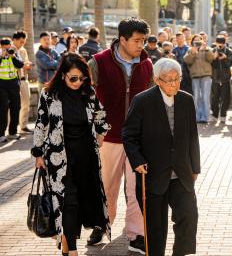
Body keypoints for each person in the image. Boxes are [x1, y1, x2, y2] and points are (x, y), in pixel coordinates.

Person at [31, 53, 111, 256]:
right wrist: (38, 154)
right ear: (63, 74)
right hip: (59, 159)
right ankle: (72, 251)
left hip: (86, 158)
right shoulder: (49, 94)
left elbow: (101, 114)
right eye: (73, 78)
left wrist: (101, 134)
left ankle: (66, 247)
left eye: (82, 78)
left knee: (82, 203)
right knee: (68, 202)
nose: (78, 82)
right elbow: (41, 125)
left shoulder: (88, 92)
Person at [86, 17, 152, 253]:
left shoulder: (146, 64)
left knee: (136, 189)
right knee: (107, 186)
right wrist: (95, 129)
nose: (141, 45)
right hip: (108, 138)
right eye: (136, 40)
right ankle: (101, 223)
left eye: (144, 40)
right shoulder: (98, 62)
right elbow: (85, 97)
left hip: (137, 140)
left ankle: (137, 234)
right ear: (122, 39)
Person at [122, 58, 200, 256]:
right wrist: (137, 161)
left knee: (188, 216)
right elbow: (129, 135)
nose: (174, 84)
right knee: (156, 228)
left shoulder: (186, 100)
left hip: (181, 173)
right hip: (152, 174)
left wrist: (195, 167)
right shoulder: (142, 101)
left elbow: (192, 136)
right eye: (169, 80)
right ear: (157, 80)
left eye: (177, 79)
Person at [0, 37, 24, 142]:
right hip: (2, 86)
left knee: (16, 108)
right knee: (3, 109)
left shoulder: (14, 54)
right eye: (5, 48)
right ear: (1, 47)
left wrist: (13, 56)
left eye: (9, 47)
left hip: (14, 85)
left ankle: (13, 132)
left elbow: (20, 64)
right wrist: (1, 57)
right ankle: (1, 134)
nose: (7, 50)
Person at [184, 34, 214, 123]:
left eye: (199, 41)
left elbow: (211, 59)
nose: (197, 43)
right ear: (192, 42)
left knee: (205, 97)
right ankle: (197, 117)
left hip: (206, 76)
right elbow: (187, 61)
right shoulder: (190, 50)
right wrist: (193, 52)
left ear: (202, 41)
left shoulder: (207, 48)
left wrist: (206, 50)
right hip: (195, 76)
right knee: (196, 97)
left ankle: (205, 117)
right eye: (195, 41)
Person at [12, 31, 34, 134]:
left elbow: (25, 62)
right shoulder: (10, 50)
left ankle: (23, 126)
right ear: (15, 40)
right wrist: (23, 65)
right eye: (21, 41)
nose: (23, 44)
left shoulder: (23, 50)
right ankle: (12, 128)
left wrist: (27, 65)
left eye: (24, 42)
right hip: (13, 81)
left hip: (24, 79)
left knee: (26, 103)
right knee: (14, 105)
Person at [210, 35, 232, 123]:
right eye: (219, 43)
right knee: (214, 98)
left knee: (226, 98)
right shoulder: (212, 51)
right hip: (215, 78)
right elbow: (210, 64)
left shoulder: (228, 51)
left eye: (222, 43)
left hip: (225, 78)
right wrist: (214, 57)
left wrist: (225, 58)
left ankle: (223, 115)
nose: (220, 45)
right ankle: (215, 115)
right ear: (216, 43)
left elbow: (230, 64)